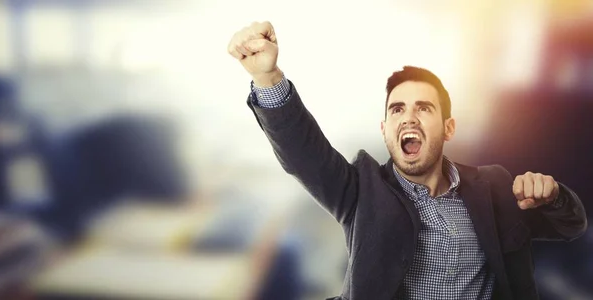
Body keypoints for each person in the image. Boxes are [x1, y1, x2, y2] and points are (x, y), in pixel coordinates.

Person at [227, 21, 588, 300]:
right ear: (386, 130)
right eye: (398, 109)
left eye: (424, 108)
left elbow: (570, 226)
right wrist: (268, 77)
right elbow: (303, 153)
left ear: (448, 128)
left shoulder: (493, 186)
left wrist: (554, 195)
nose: (409, 118)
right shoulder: (361, 189)